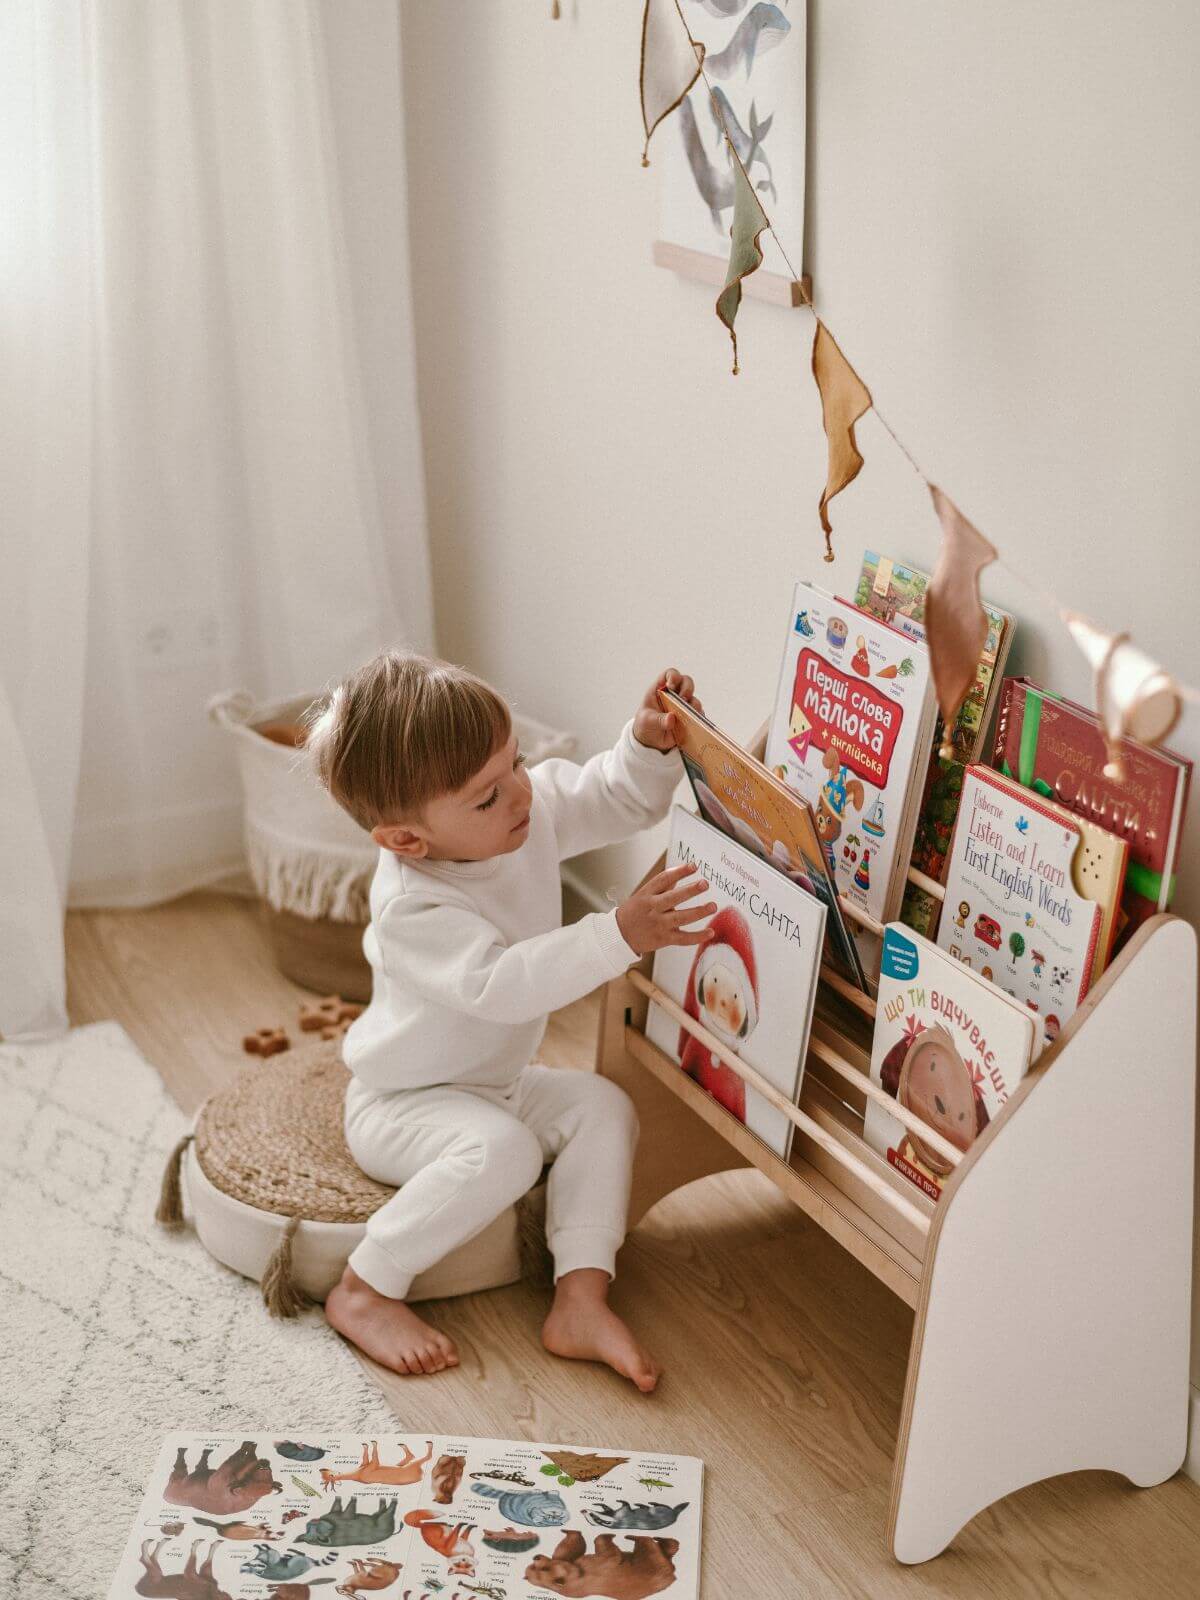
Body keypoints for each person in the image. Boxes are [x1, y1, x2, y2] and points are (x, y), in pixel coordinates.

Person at [304, 652, 713, 1391]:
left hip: (493, 1080)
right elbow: (502, 986)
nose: (520, 794)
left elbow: (615, 798)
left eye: (516, 763)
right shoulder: (413, 907)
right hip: (403, 1102)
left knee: (602, 1105)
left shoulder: (522, 808)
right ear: (406, 841)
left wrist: (647, 745)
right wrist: (617, 933)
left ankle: (580, 1298)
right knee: (506, 1151)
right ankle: (364, 1288)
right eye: (486, 797)